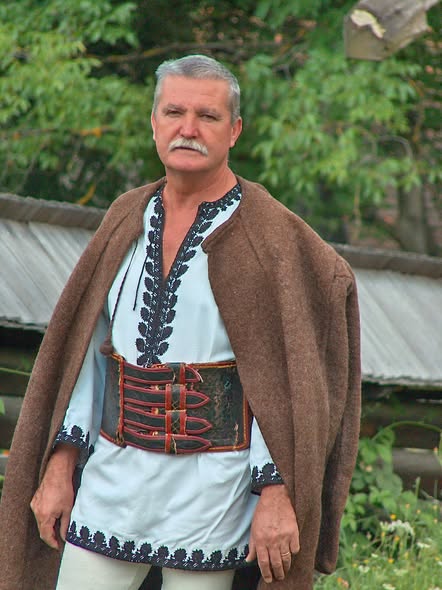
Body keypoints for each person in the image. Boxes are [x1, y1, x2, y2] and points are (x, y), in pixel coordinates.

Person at [0, 55, 361, 590]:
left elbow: (287, 383)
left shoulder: (272, 238)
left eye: (207, 116)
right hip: (112, 481)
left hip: (213, 492)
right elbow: (87, 352)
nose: (188, 129)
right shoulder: (126, 216)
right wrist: (60, 464)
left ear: (234, 130)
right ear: (154, 123)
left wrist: (277, 492)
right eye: (174, 112)